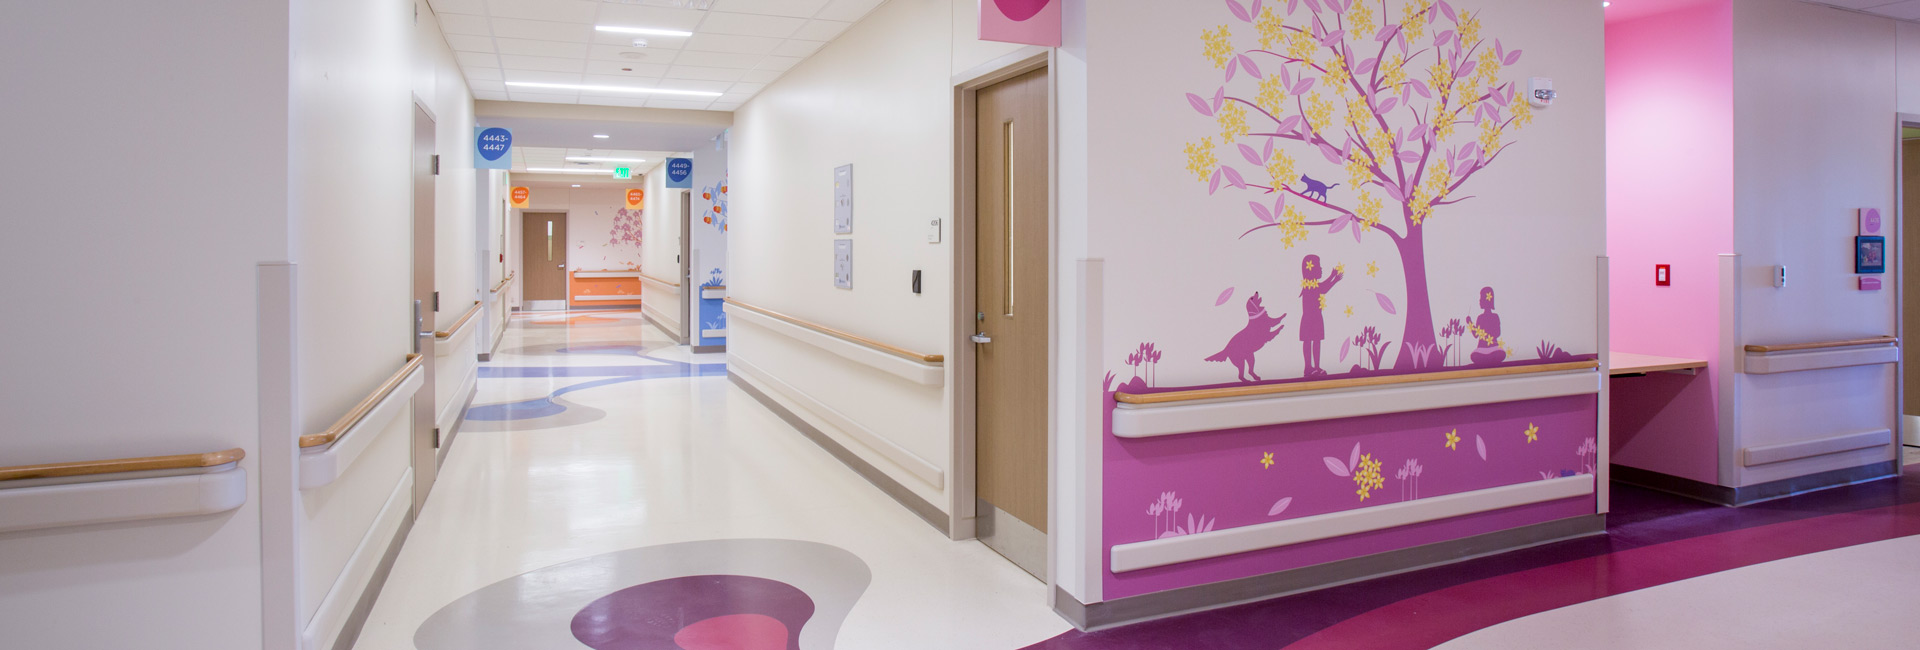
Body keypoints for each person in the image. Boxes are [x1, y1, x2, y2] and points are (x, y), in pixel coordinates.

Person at [1299, 254, 1344, 376]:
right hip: (1309, 319)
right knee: (1308, 342)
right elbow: (1322, 289)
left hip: (1316, 318)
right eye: (1318, 266)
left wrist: (1332, 277)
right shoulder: (1308, 285)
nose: (1321, 269)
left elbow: (1321, 287)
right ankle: (1308, 367)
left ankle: (1317, 367)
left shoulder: (1313, 284)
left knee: (1317, 341)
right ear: (1311, 269)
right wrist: (1334, 279)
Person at [1468, 286, 1506, 366]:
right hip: (1481, 349)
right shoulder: (1480, 317)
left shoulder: (1495, 316)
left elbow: (1497, 333)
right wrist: (1470, 323)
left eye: (1481, 298)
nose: (1479, 301)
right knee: (1475, 356)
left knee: (1499, 353)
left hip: (1494, 348)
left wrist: (1487, 334)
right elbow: (1476, 335)